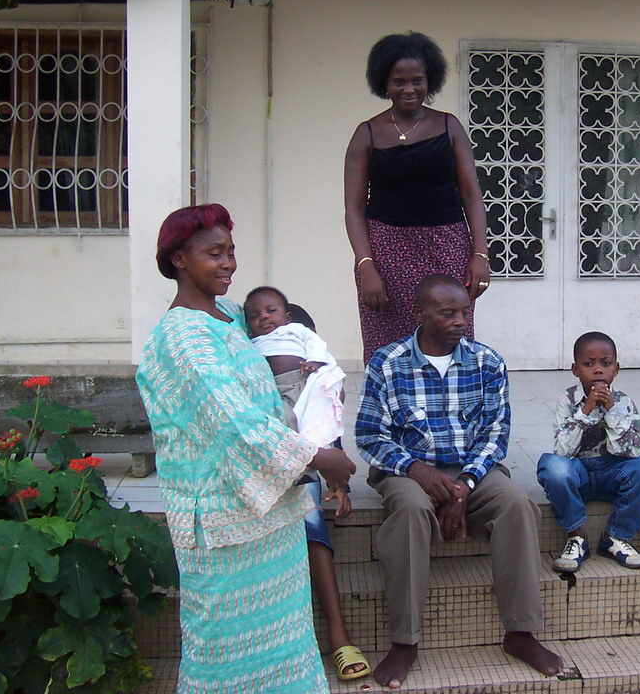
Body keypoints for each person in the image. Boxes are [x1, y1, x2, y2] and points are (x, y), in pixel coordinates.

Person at [135, 204, 356, 693]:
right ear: (177, 258)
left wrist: (314, 380)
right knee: (221, 657)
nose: (228, 263)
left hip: (271, 518)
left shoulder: (232, 317)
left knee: (285, 649)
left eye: (231, 252)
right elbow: (233, 423)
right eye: (214, 253)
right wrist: (321, 458)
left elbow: (275, 369)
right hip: (222, 528)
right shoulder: (182, 337)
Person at [355, 274, 563, 688]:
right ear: (419, 314)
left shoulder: (487, 362)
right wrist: (418, 470)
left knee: (518, 505)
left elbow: (495, 435)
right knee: (413, 509)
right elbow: (368, 436)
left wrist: (464, 486)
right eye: (447, 313)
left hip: (472, 471)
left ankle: (520, 633)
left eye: (464, 312)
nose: (459, 322)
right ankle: (405, 641)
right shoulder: (387, 362)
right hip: (407, 471)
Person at [243, 286, 370, 681]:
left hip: (306, 470)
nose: (267, 320)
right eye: (258, 316)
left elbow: (327, 431)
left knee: (313, 524)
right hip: (265, 466)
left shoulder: (312, 373)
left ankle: (338, 634)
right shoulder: (251, 364)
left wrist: (342, 486)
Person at [344, 31, 490, 364]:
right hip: (385, 254)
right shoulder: (366, 133)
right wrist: (366, 266)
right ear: (384, 82)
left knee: (451, 335)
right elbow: (353, 209)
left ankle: (452, 408)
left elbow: (471, 194)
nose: (409, 89)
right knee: (388, 347)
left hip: (447, 247)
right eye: (399, 81)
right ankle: (394, 413)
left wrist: (480, 253)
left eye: (417, 81)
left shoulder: (449, 127)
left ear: (430, 81)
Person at [536, 331, 640, 572]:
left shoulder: (624, 401)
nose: (598, 370)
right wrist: (587, 409)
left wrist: (611, 410)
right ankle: (577, 537)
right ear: (575, 369)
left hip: (613, 473)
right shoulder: (567, 400)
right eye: (588, 364)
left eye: (606, 363)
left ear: (617, 368)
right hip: (579, 473)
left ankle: (617, 537)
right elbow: (562, 450)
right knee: (552, 466)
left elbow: (634, 450)